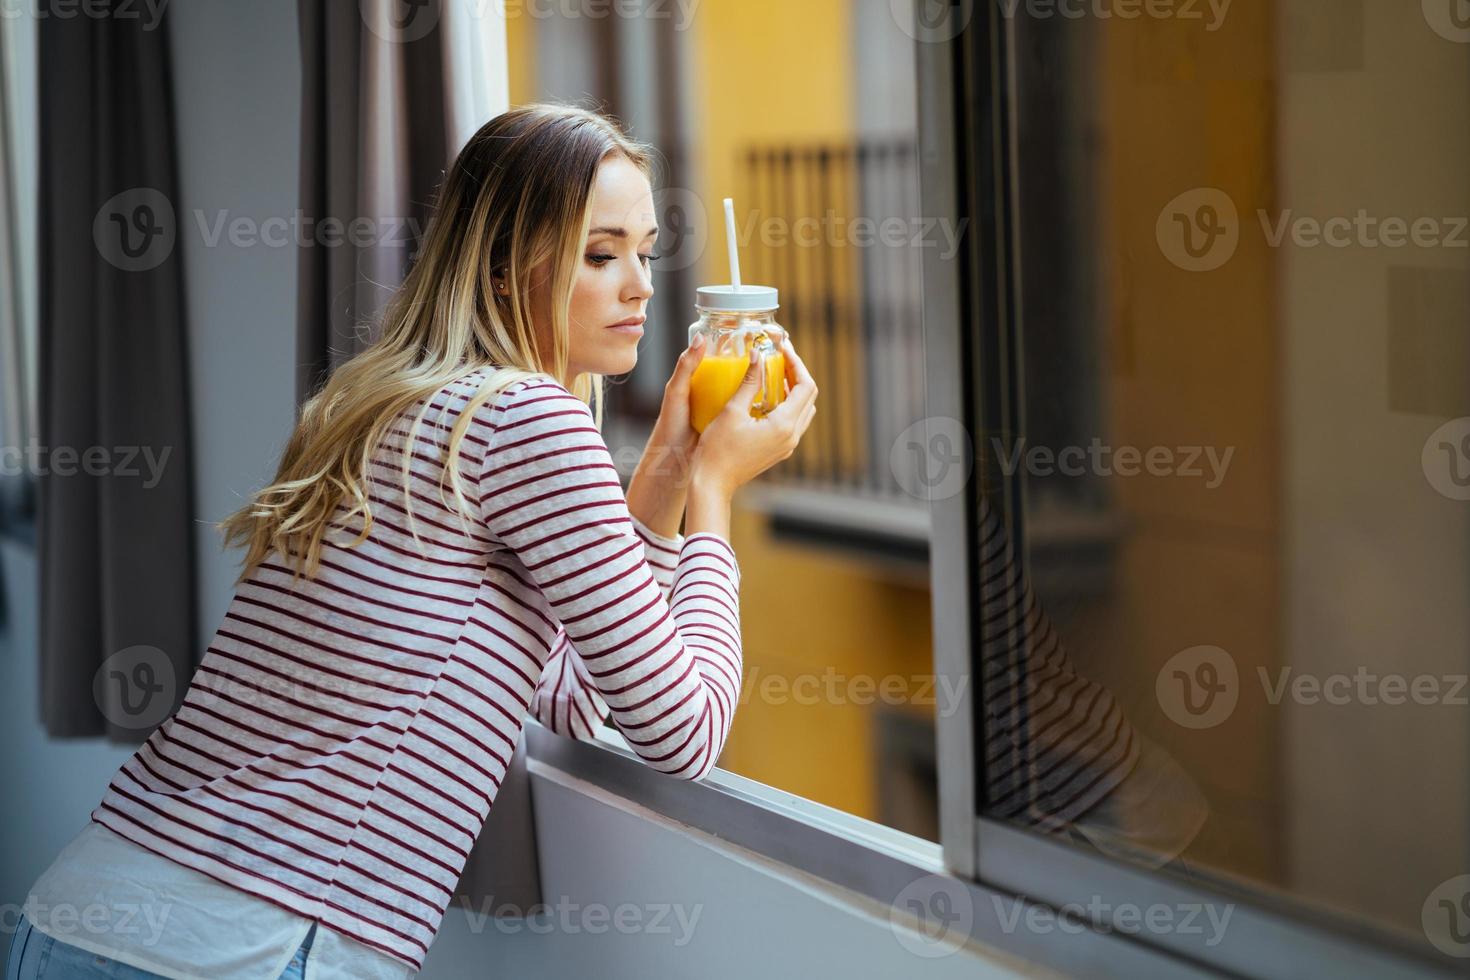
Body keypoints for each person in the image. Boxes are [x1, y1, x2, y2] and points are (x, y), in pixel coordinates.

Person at [4, 102, 818, 980]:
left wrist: (659, 475)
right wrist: (714, 492)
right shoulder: (532, 420)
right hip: (247, 947)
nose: (640, 286)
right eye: (600, 253)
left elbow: (578, 699)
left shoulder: (383, 400)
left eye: (648, 252)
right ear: (509, 269)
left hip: (82, 918)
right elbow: (686, 733)